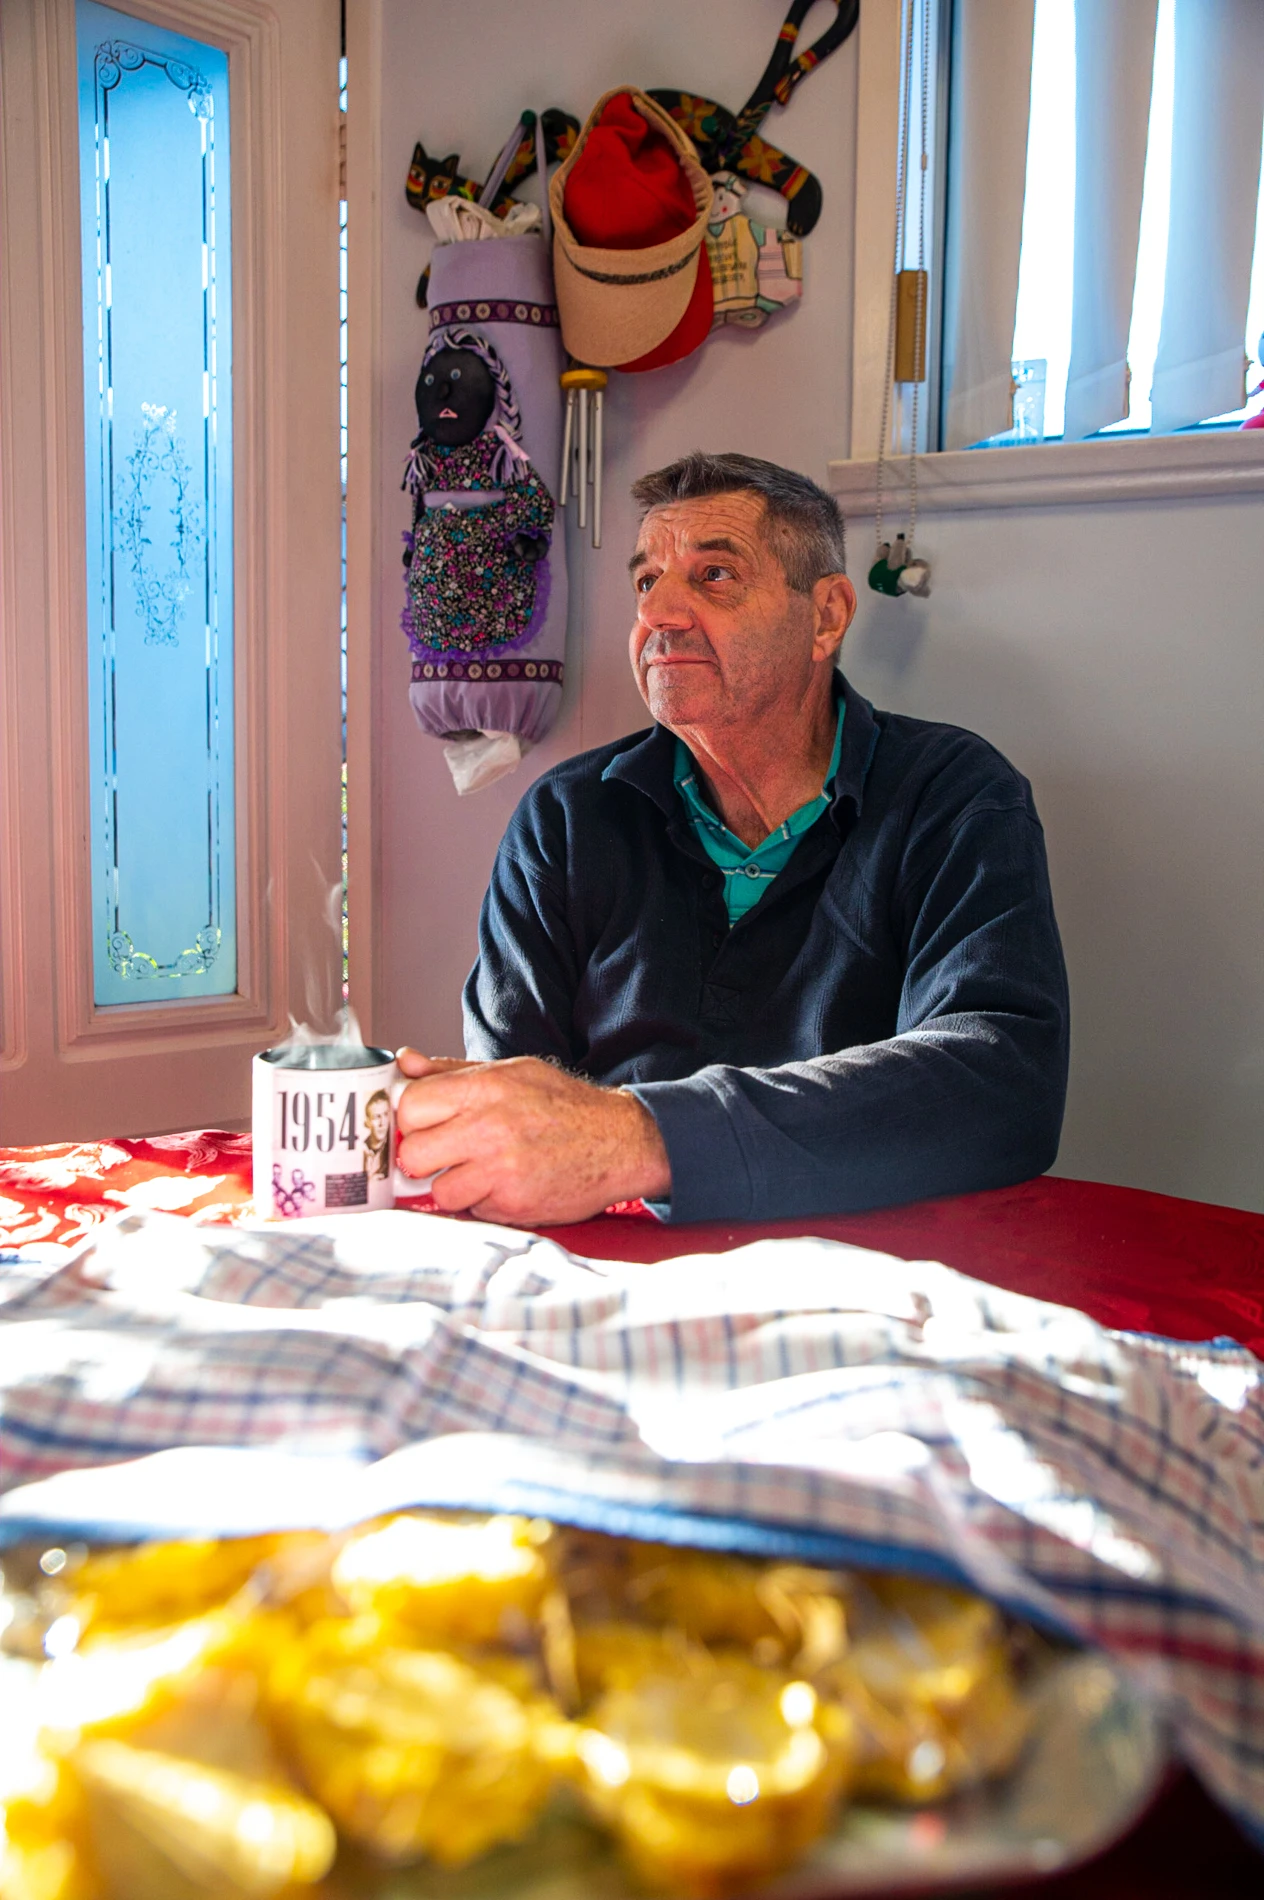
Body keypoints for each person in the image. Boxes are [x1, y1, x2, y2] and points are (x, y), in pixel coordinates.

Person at [396, 452, 1069, 1227]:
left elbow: (1002, 1081)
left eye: (713, 576)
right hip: (608, 1277)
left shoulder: (955, 797)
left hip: (873, 1282)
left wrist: (644, 1138)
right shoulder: (567, 818)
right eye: (647, 581)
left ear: (827, 617)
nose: (660, 614)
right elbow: (516, 1108)